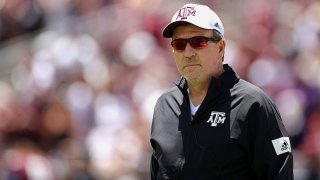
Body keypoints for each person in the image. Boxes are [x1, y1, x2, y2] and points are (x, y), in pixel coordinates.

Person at [150, 3, 294, 180]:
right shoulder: (164, 106)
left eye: (198, 42)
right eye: (179, 44)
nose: (188, 53)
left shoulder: (252, 104)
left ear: (220, 48)